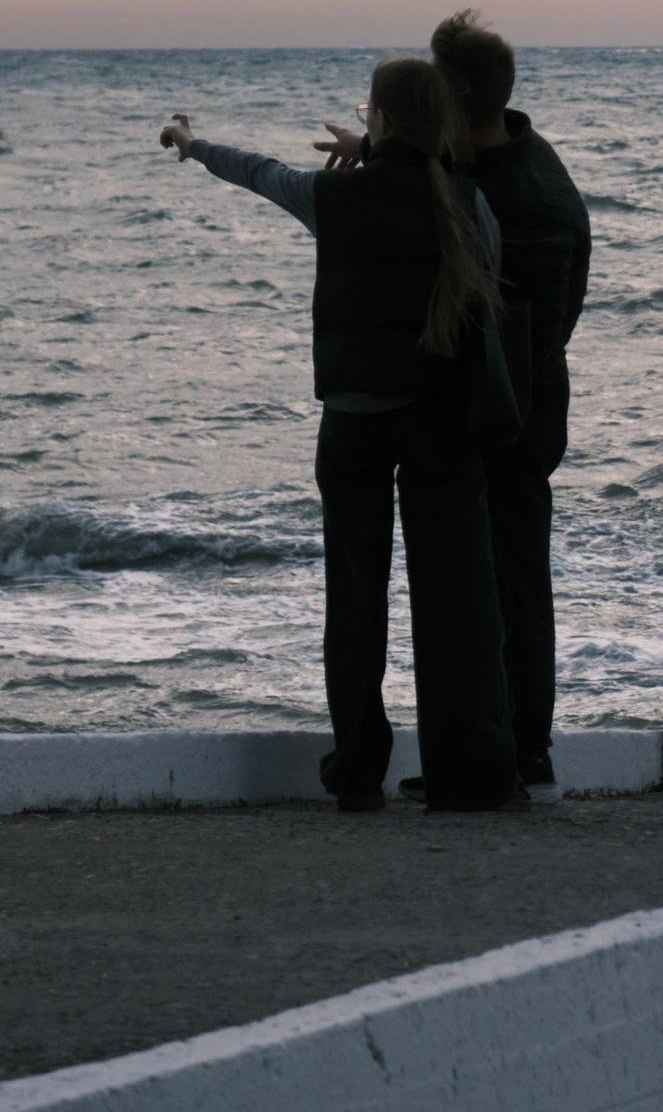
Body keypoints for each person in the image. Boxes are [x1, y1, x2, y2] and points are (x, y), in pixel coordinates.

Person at [158, 56, 520, 815]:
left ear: (380, 119)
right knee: (455, 603)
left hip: (353, 423)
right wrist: (388, 150)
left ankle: (357, 771)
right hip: (440, 425)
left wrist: (193, 144)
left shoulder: (335, 195)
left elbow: (259, 173)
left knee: (356, 603)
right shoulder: (465, 202)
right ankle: (469, 774)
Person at [430, 12, 591, 802]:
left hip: (504, 404)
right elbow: (571, 305)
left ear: (452, 99)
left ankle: (521, 749)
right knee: (507, 574)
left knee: (506, 581)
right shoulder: (539, 166)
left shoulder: (504, 196)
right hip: (537, 393)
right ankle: (506, 745)